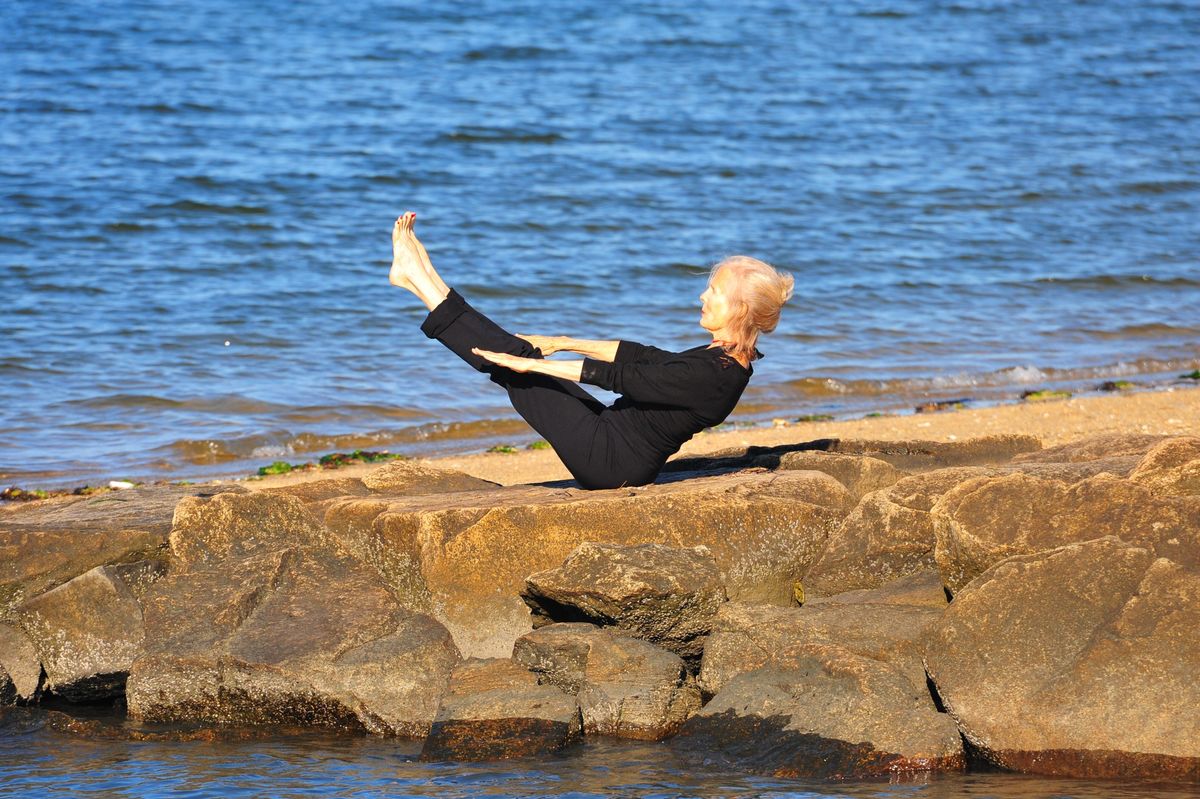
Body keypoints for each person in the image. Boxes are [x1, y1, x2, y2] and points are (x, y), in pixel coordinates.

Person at [389, 212, 794, 490]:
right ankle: (420, 280)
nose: (703, 295)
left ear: (738, 309)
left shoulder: (716, 374)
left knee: (515, 363)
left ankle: (424, 282)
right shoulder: (724, 358)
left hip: (609, 462)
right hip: (611, 439)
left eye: (715, 291)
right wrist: (563, 341)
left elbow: (623, 378)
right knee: (522, 358)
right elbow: (642, 357)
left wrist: (532, 367)